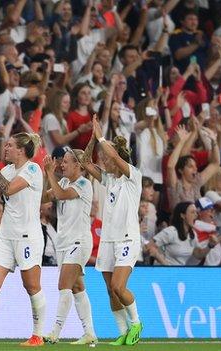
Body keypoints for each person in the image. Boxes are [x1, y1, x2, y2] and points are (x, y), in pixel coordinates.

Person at [0, 132, 46, 347]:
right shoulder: (7, 169)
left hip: (27, 236)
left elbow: (8, 189)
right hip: (6, 235)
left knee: (31, 285)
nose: (5, 149)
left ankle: (38, 335)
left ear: (22, 151)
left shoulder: (32, 169)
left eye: (10, 146)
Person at [80, 117, 142, 345]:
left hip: (127, 239)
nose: (104, 159)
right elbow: (85, 162)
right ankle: (123, 331)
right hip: (108, 240)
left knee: (119, 286)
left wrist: (101, 137)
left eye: (106, 156)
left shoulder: (133, 176)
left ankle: (136, 323)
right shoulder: (108, 180)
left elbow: (114, 156)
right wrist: (92, 139)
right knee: (110, 290)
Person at [43, 148, 97, 345]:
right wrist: (44, 173)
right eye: (61, 162)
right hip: (63, 242)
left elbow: (61, 195)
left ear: (78, 165)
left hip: (79, 241)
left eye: (66, 162)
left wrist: (50, 172)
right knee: (77, 287)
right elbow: (45, 197)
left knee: (63, 285)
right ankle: (89, 332)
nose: (62, 165)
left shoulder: (83, 184)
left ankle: (55, 332)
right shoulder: (64, 181)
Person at [146, 202, 221, 266]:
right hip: (161, 274)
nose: (196, 215)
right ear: (182, 215)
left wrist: (210, 245)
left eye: (196, 212)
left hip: (178, 274)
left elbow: (198, 254)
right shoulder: (171, 231)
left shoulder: (192, 235)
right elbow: (148, 247)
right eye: (192, 212)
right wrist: (163, 263)